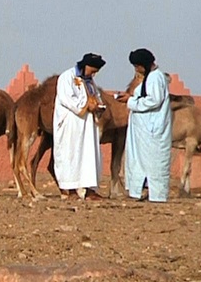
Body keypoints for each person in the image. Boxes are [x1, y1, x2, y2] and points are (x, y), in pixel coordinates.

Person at [116, 48, 172, 202]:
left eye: (137, 66)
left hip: (152, 130)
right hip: (144, 131)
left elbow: (154, 100)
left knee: (153, 162)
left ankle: (156, 194)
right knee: (141, 161)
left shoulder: (155, 78)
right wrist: (130, 97)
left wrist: (130, 101)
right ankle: (143, 190)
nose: (136, 70)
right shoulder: (150, 78)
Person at [53, 53, 107, 201]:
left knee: (89, 155)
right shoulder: (67, 77)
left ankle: (90, 190)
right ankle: (69, 190)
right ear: (86, 66)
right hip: (71, 123)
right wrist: (85, 105)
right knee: (70, 153)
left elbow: (95, 97)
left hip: (88, 125)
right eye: (93, 70)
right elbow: (66, 98)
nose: (94, 73)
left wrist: (98, 106)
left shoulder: (90, 82)